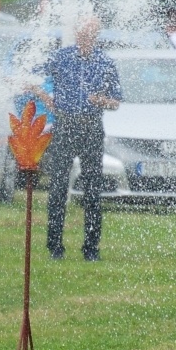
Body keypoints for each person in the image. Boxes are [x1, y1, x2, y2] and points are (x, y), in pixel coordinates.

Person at [39, 17, 122, 262]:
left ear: (96, 35)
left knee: (92, 190)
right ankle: (55, 247)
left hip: (91, 128)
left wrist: (102, 101)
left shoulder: (106, 62)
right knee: (57, 187)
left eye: (90, 33)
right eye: (82, 33)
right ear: (76, 33)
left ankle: (91, 249)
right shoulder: (61, 57)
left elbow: (116, 101)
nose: (85, 37)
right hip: (65, 126)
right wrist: (45, 97)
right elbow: (34, 77)